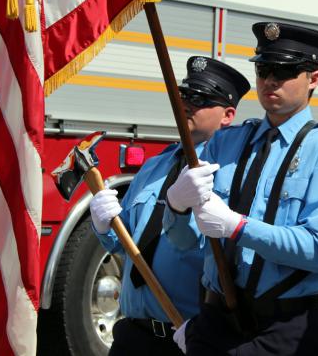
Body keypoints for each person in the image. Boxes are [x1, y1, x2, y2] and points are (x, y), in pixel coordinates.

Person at [164, 22, 318, 355]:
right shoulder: (224, 144)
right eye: (265, 68)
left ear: (313, 79)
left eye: (285, 71)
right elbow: (185, 242)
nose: (271, 79)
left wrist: (239, 228)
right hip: (216, 321)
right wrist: (177, 208)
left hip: (285, 327)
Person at [88, 56, 250, 355]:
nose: (187, 104)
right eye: (184, 95)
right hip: (131, 333)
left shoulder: (229, 174)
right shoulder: (154, 166)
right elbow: (127, 246)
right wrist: (102, 225)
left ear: (227, 115)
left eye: (200, 99)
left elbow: (199, 246)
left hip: (186, 336)